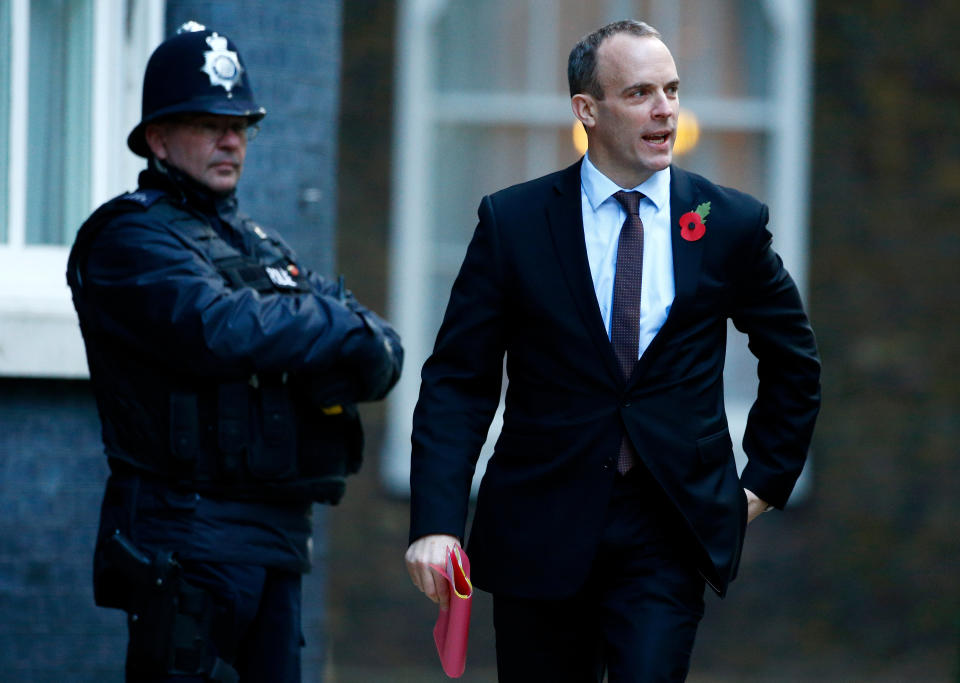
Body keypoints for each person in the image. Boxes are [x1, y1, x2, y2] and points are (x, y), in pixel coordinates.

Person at [404, 19, 820, 682]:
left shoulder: (727, 223)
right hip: (541, 523)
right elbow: (460, 379)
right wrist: (436, 521)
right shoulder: (513, 223)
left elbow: (794, 362)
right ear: (587, 110)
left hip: (668, 529)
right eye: (639, 94)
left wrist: (761, 485)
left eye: (673, 90)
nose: (664, 109)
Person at [67, 23, 402, 683]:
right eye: (208, 123)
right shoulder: (127, 238)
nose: (230, 140)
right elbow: (219, 327)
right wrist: (329, 323)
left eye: (241, 125)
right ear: (159, 139)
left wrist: (330, 326)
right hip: (187, 539)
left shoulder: (260, 245)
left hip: (277, 539)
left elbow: (379, 351)